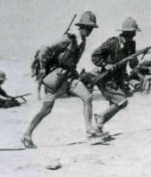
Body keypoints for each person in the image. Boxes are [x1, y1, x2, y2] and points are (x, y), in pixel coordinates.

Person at [21, 11, 101, 148]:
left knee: (87, 97)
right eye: (87, 28)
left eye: (91, 28)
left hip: (69, 77)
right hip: (57, 78)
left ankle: (89, 130)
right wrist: (42, 68)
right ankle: (27, 134)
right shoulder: (69, 38)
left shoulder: (82, 41)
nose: (89, 31)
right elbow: (45, 48)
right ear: (81, 27)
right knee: (46, 109)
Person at [91, 17, 140, 133]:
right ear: (126, 32)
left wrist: (134, 59)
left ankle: (99, 126)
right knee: (122, 101)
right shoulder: (112, 42)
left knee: (118, 103)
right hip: (106, 77)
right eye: (133, 33)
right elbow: (95, 56)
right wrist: (105, 64)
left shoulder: (131, 44)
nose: (134, 36)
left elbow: (133, 65)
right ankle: (100, 118)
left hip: (118, 78)